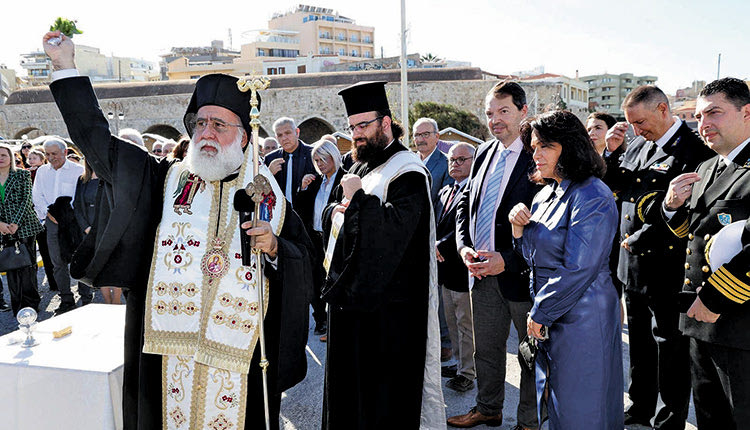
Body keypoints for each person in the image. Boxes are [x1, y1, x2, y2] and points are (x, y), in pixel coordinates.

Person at [44, 30, 313, 430]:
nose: (206, 133)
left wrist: (275, 247)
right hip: (166, 350)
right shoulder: (164, 181)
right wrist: (66, 69)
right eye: (200, 123)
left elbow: (305, 262)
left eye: (219, 125)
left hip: (238, 355)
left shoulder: (267, 194)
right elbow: (101, 145)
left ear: (243, 136)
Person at [321, 81, 444, 429]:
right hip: (351, 307)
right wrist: (338, 210)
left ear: (385, 123)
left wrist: (357, 202)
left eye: (363, 126)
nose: (356, 135)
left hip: (389, 316)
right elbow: (332, 212)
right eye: (352, 127)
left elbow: (395, 234)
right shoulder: (358, 166)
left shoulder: (408, 171)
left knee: (380, 404)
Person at [642, 77, 750, 429]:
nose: (703, 125)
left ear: (747, 112)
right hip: (698, 318)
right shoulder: (706, 168)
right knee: (710, 417)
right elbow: (695, 236)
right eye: (700, 116)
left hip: (738, 320)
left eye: (714, 113)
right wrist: (671, 208)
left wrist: (716, 298)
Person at [606, 85, 714, 429]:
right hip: (632, 265)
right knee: (639, 345)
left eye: (641, 122)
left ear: (663, 109)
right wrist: (610, 153)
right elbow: (619, 185)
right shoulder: (637, 143)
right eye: (632, 124)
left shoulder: (695, 151)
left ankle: (670, 419)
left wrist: (640, 237)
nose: (636, 130)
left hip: (666, 265)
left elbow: (689, 214)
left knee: (670, 348)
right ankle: (640, 407)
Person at [508, 110, 622, 429]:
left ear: (569, 147)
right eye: (534, 147)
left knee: (584, 410)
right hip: (552, 313)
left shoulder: (592, 194)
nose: (537, 154)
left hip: (583, 317)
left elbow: (579, 267)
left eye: (546, 146)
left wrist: (540, 313)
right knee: (557, 407)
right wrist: (518, 230)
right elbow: (533, 257)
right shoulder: (545, 194)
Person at [448, 81, 540, 430]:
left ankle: (529, 421)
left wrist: (508, 258)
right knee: (485, 350)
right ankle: (488, 408)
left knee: (530, 354)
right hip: (481, 274)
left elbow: (547, 223)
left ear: (523, 112)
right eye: (490, 113)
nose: (495, 120)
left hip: (523, 277)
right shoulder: (483, 152)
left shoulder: (540, 156)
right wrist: (463, 246)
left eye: (504, 111)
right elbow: (464, 207)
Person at [435, 142, 476, 392]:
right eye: (452, 160)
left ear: (474, 161)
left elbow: (467, 228)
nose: (455, 164)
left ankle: (468, 373)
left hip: (462, 268)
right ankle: (460, 364)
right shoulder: (445, 191)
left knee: (465, 324)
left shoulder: (475, 189)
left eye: (462, 159)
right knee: (451, 322)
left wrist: (442, 245)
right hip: (444, 269)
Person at [296, 138, 345, 342]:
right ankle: (321, 320)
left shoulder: (344, 179)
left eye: (323, 159)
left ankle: (335, 322)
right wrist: (303, 188)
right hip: (315, 238)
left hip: (334, 238)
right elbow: (301, 209)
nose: (320, 163)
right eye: (316, 160)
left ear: (333, 157)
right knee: (314, 281)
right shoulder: (316, 181)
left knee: (333, 279)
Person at [32, 136, 84, 314]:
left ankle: (85, 296)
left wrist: (71, 215)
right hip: (52, 221)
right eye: (47, 154)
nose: (51, 157)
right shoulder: (42, 171)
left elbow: (82, 196)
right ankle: (66, 299)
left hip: (75, 222)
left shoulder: (78, 170)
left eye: (54, 153)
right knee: (57, 261)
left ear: (65, 152)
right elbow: (36, 195)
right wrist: (48, 213)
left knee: (80, 258)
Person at [0, 143, 44, 315]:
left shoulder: (23, 175)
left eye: (3, 155)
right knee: (10, 266)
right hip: (3, 229)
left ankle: (31, 303)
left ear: (10, 157)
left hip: (25, 226)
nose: (0, 158)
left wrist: (16, 223)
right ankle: (17, 304)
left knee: (27, 266)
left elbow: (26, 201)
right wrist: (1, 225)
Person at [263, 117, 315, 209]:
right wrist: (269, 174)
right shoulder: (270, 159)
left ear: (297, 132)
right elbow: (262, 190)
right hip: (280, 215)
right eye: (280, 135)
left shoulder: (312, 155)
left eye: (288, 133)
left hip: (306, 214)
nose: (284, 138)